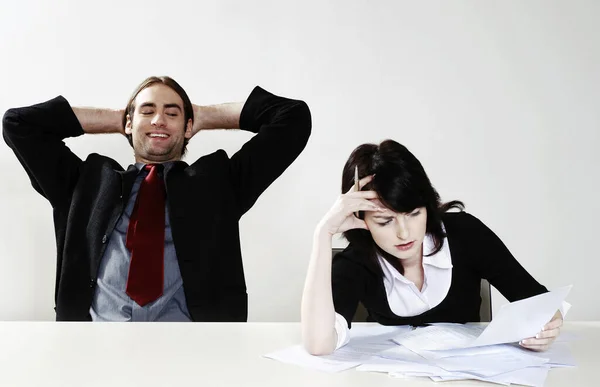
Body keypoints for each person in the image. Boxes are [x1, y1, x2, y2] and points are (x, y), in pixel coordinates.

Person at [3, 76, 311, 322]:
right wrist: (117, 119)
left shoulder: (220, 184)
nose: (159, 120)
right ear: (129, 123)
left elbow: (293, 118)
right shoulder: (85, 184)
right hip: (95, 348)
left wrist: (201, 114)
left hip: (195, 351)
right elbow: (19, 124)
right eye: (148, 111)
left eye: (172, 113)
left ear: (188, 126)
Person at [301, 139, 562, 355]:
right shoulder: (357, 262)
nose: (404, 233)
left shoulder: (466, 233)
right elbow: (319, 345)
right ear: (360, 217)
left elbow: (539, 301)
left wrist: (548, 323)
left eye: (414, 213)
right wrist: (322, 233)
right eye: (385, 220)